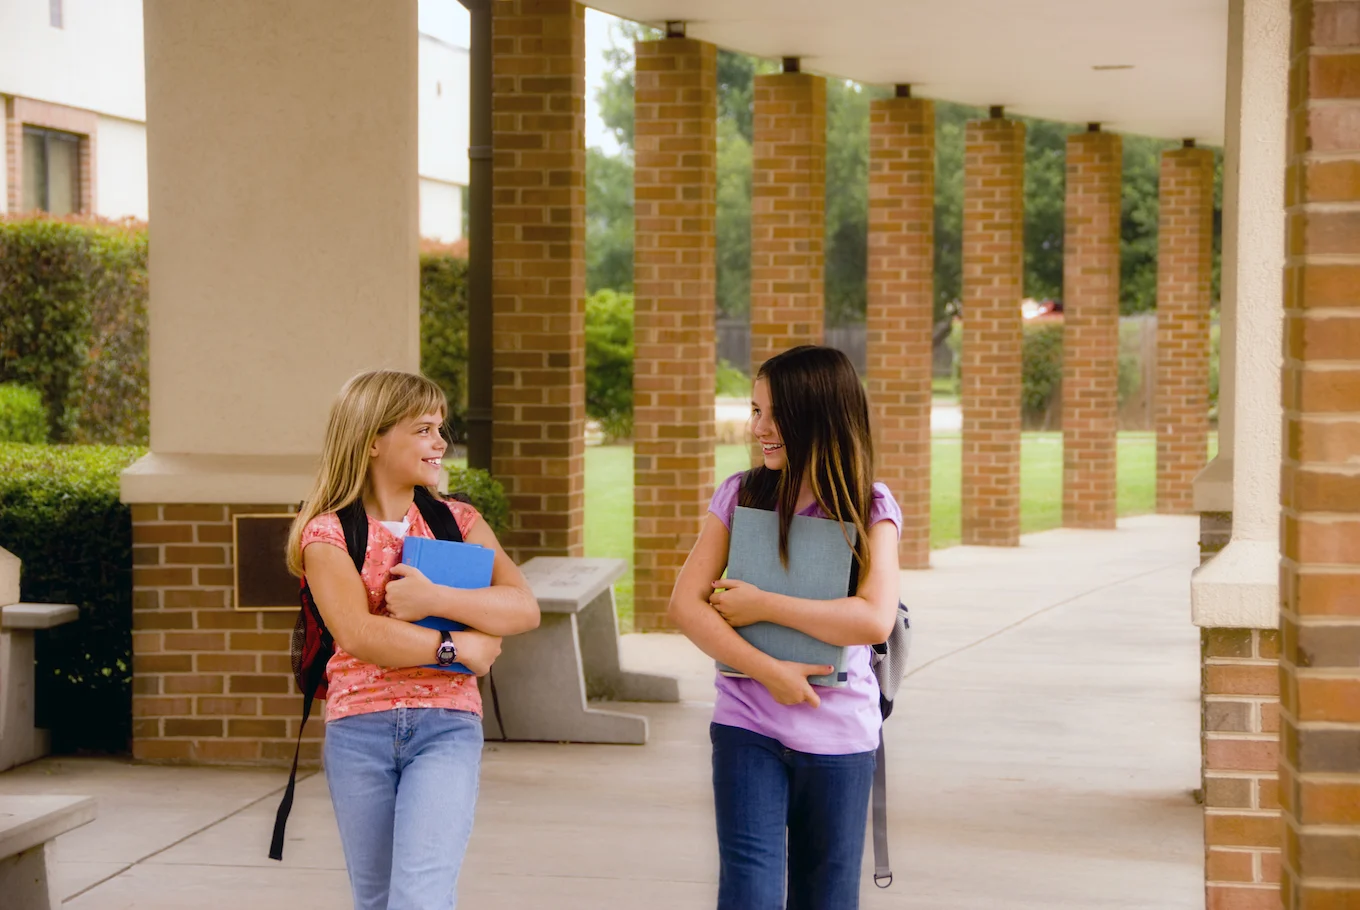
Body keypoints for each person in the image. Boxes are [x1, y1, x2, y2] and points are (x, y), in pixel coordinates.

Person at [285, 370, 539, 910]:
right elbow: (359, 633)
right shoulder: (327, 534)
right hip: (359, 732)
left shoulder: (458, 520)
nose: (440, 442)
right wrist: (456, 649)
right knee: (377, 899)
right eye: (424, 429)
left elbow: (522, 606)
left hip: (446, 726)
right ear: (372, 439)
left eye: (440, 428)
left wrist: (435, 601)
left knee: (419, 896)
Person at [668, 345, 902, 910]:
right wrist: (769, 672)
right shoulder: (741, 493)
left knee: (825, 898)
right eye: (755, 411)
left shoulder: (870, 506)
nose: (760, 428)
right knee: (748, 893)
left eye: (774, 413)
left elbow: (873, 618)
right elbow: (685, 605)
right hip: (747, 726)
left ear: (820, 415)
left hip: (840, 736)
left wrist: (765, 605)